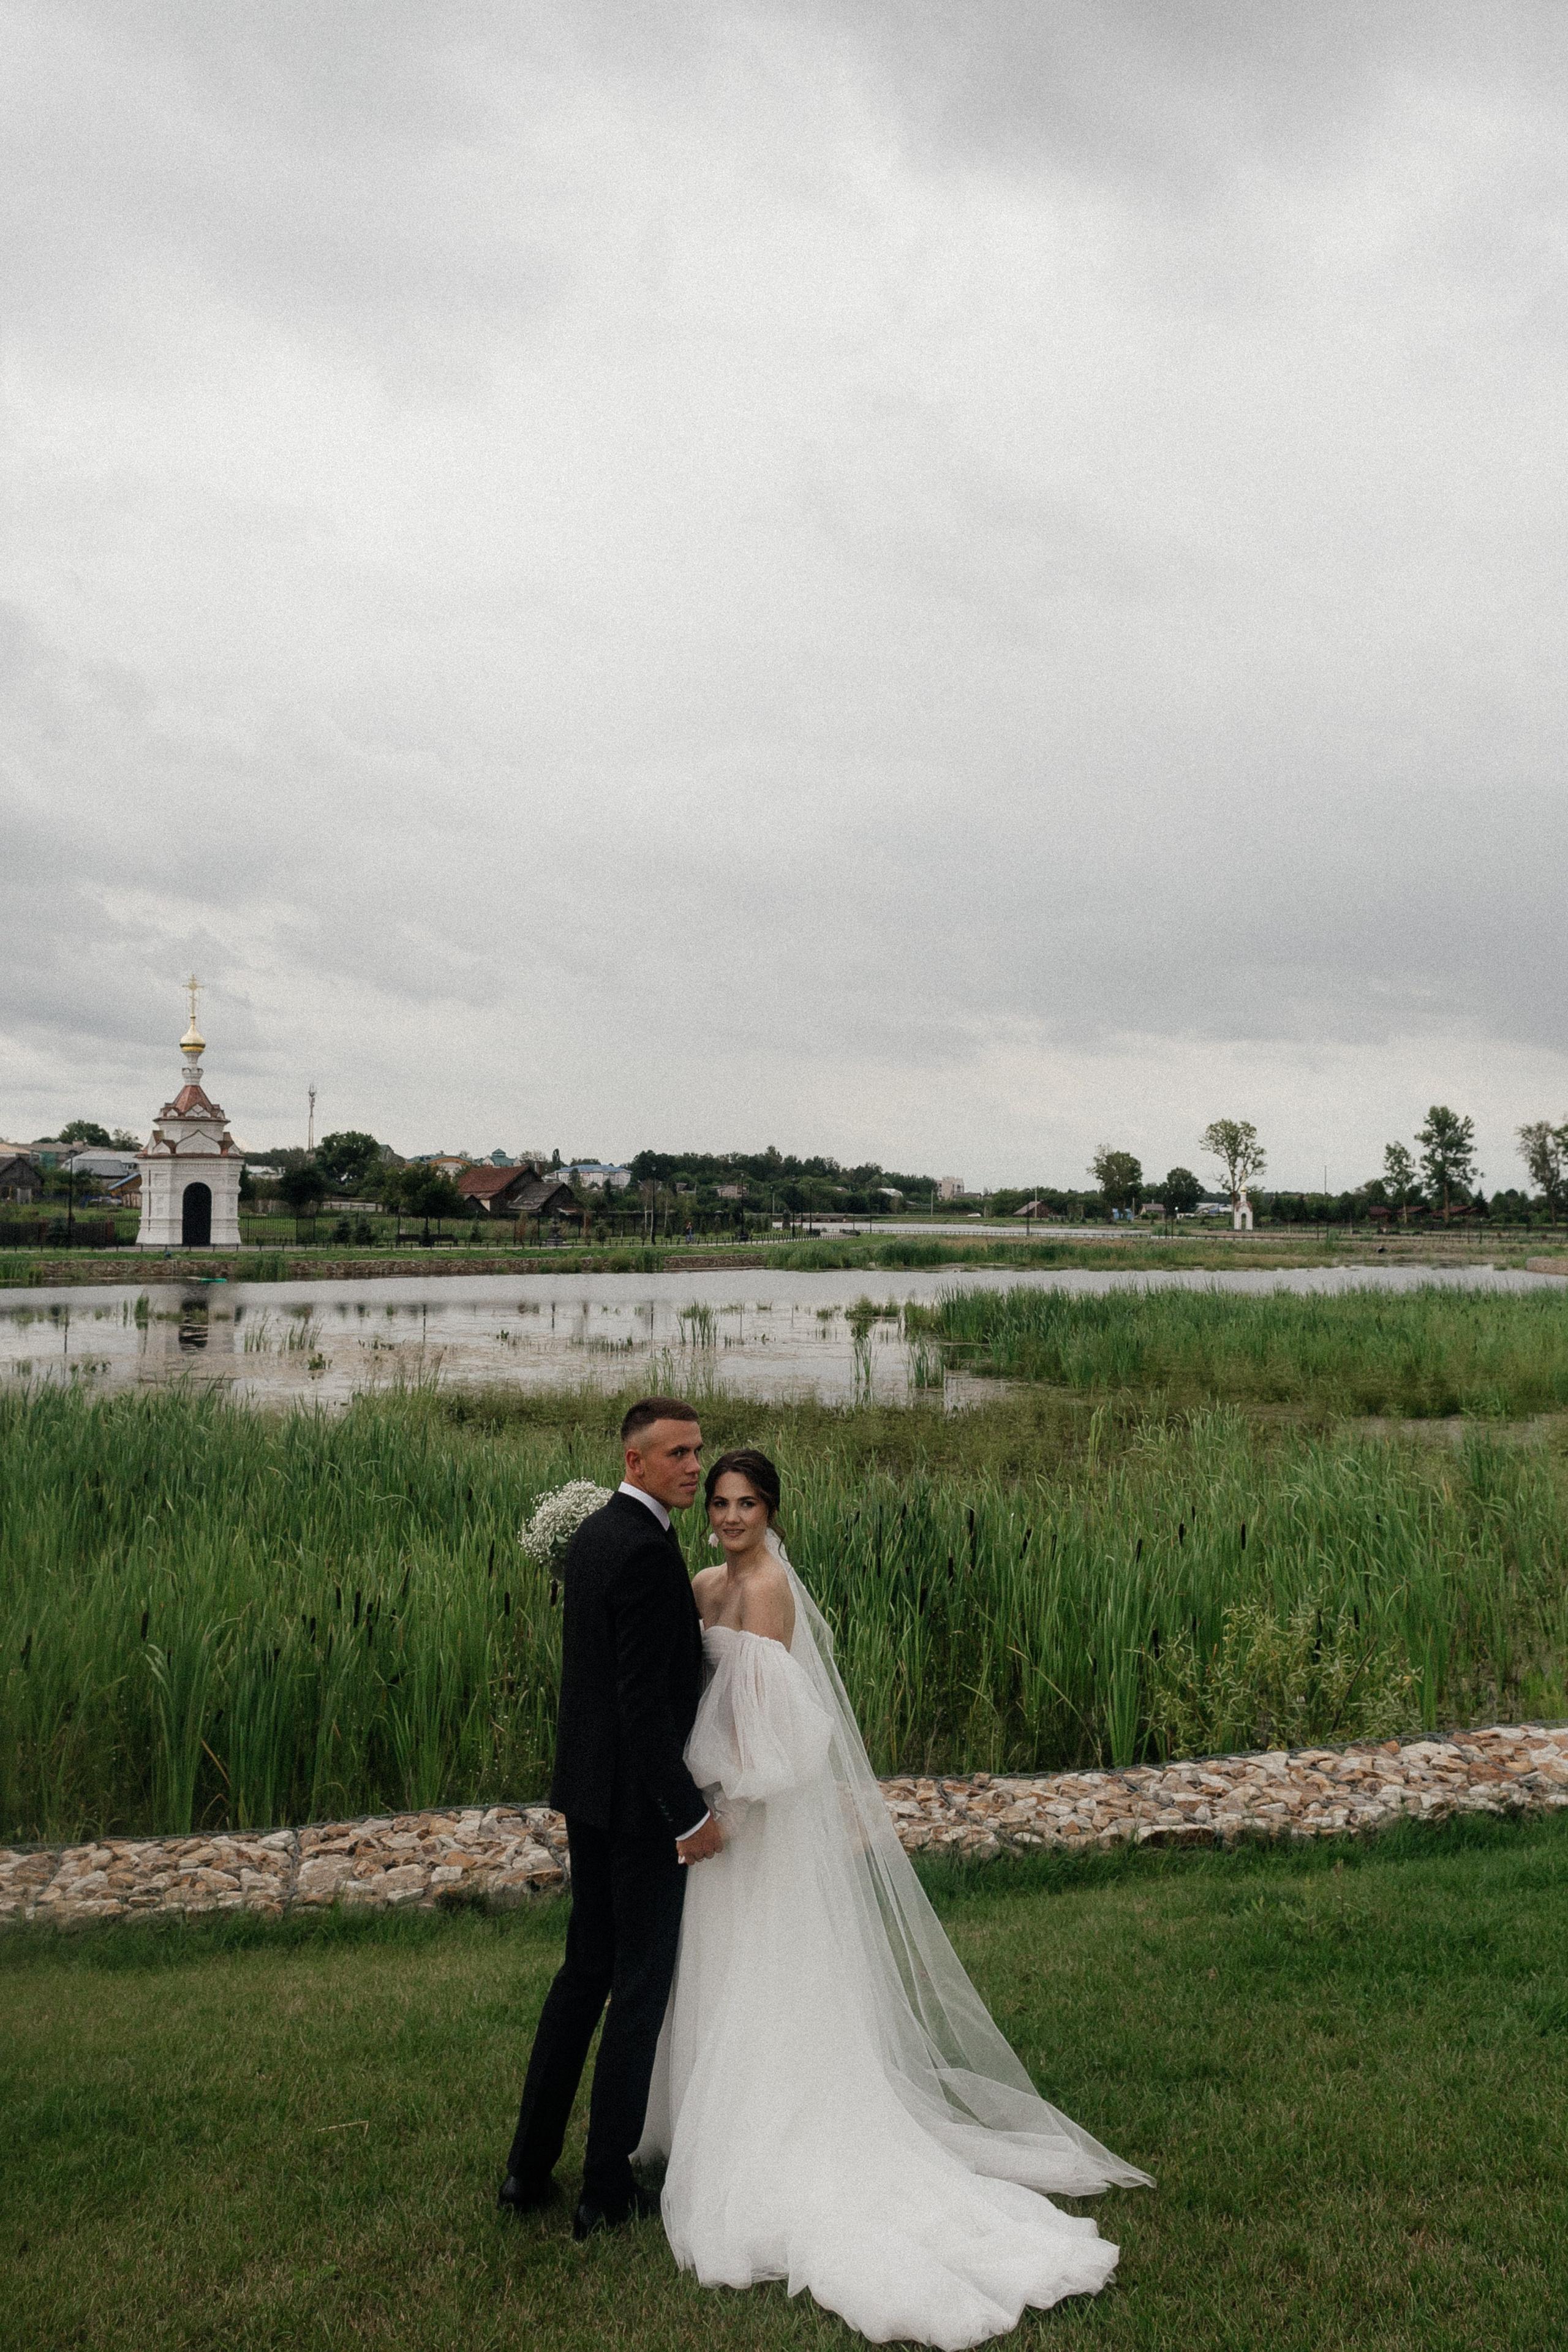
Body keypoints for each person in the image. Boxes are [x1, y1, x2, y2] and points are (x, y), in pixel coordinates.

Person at [636, 1447, 1153, 2350]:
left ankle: (772, 2138)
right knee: (715, 1962)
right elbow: (688, 1691)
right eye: (719, 1503)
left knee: (767, 1964)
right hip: (710, 1807)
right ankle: (703, 2119)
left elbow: (775, 1729)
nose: (730, 1517)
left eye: (747, 1504)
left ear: (771, 1511)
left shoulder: (768, 1592)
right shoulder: (702, 1583)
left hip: (750, 1814)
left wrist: (723, 1808)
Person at [497, 1396, 723, 2239]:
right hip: (636, 1812)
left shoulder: (595, 1535)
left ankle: (526, 2170)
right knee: (636, 1989)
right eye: (677, 1455)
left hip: (589, 1797)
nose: (693, 1467)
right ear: (636, 1462)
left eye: (697, 1451)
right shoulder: (642, 1550)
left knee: (581, 1976)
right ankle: (604, 2188)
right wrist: (686, 1815)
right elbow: (640, 1704)